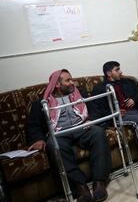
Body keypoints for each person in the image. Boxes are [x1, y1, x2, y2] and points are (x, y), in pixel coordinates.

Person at [26, 69, 111, 202]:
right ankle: (80, 187)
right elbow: (33, 124)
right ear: (57, 85)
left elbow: (95, 109)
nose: (72, 82)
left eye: (72, 79)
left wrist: (91, 119)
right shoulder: (42, 103)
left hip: (82, 127)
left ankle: (99, 182)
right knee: (53, 145)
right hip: (59, 133)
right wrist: (38, 139)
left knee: (98, 133)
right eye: (68, 80)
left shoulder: (80, 93)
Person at [90, 61, 138, 169]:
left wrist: (134, 99)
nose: (121, 72)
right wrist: (114, 112)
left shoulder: (128, 82)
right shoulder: (100, 88)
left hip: (136, 111)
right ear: (109, 73)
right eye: (117, 70)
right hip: (118, 116)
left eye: (120, 69)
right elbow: (96, 111)